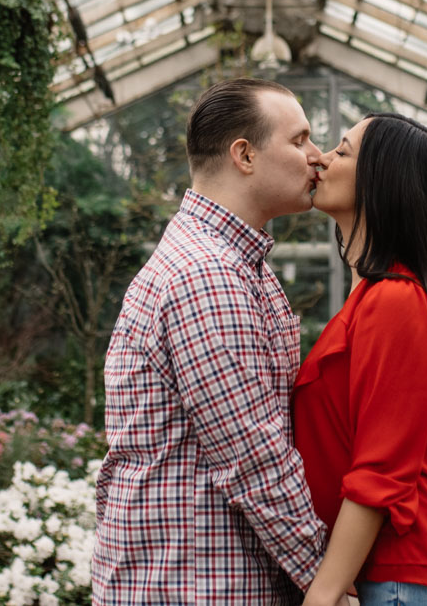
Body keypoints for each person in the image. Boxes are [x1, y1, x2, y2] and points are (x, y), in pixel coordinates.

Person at [92, 78, 335, 606]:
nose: (317, 157)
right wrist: (328, 582)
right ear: (244, 155)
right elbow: (253, 454)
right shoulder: (209, 274)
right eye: (299, 141)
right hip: (194, 583)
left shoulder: (237, 264)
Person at [293, 113, 427, 606]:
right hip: (400, 579)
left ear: (384, 182)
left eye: (342, 151)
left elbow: (381, 474)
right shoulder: (373, 300)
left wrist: (322, 595)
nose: (320, 157)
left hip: (415, 574)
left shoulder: (396, 299)